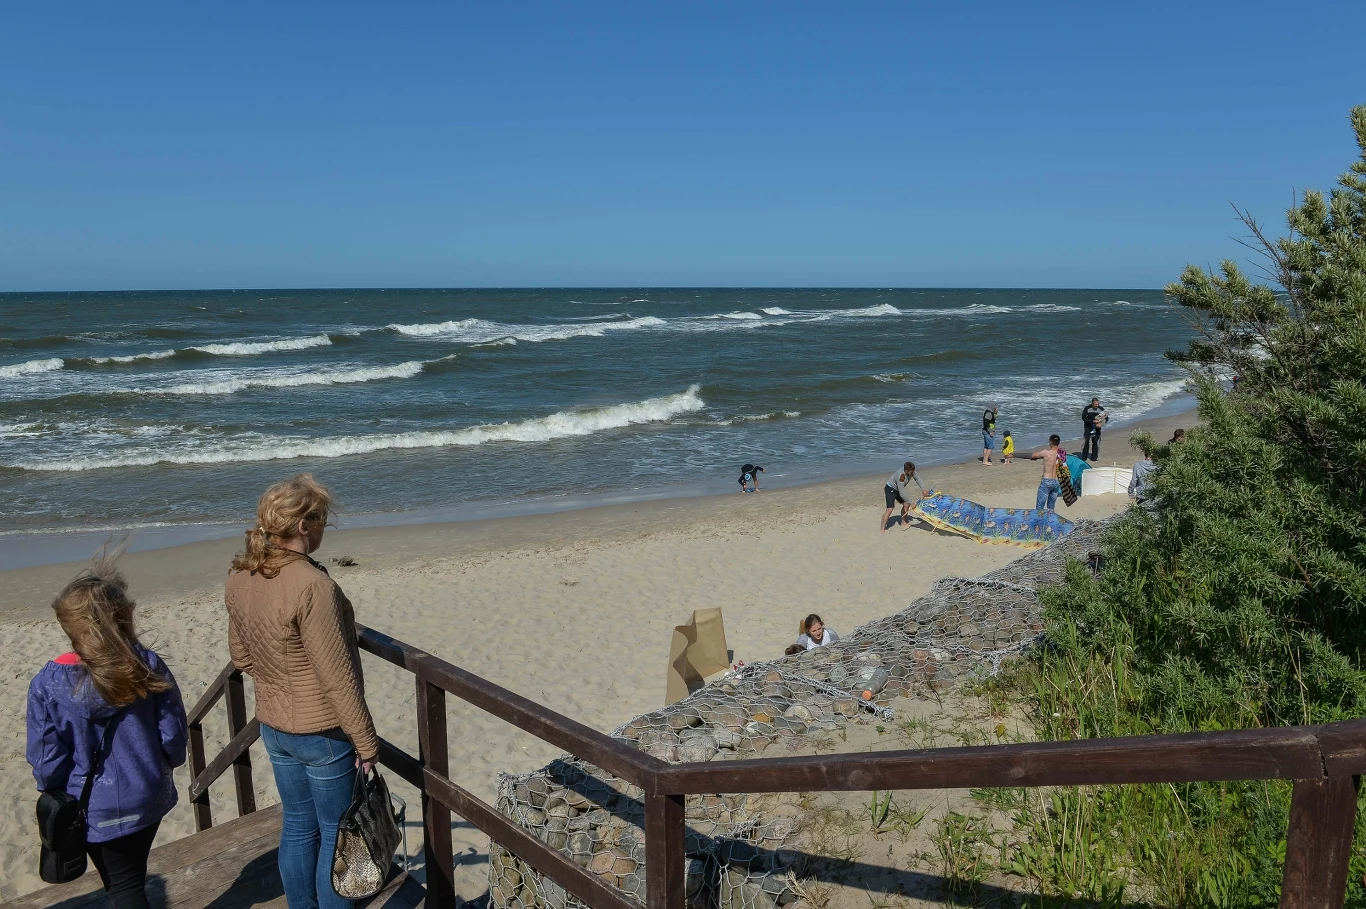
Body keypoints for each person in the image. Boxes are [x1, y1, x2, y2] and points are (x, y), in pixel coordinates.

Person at [226, 474, 380, 909]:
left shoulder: (241, 574)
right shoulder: (315, 585)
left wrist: (281, 682)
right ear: (303, 527)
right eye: (323, 521)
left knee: (297, 824)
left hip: (274, 724)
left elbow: (242, 656)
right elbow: (337, 677)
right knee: (336, 835)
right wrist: (367, 743)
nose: (324, 529)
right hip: (321, 732)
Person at [27, 561, 187, 909]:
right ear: (124, 617)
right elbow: (173, 733)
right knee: (131, 875)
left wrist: (51, 788)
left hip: (91, 804)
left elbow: (45, 758)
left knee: (124, 886)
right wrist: (168, 762)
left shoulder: (47, 684)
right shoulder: (147, 664)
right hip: (147, 791)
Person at [881, 460, 928, 533]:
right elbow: (902, 493)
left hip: (898, 489)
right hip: (890, 489)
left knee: (906, 504)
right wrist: (911, 502)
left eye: (913, 471)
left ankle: (903, 523)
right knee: (890, 509)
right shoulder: (901, 476)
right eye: (911, 472)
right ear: (906, 470)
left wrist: (923, 489)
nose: (912, 473)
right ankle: (882, 529)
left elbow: (917, 479)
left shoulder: (912, 471)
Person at [1028, 434, 1064, 511]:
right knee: (1051, 508)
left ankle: (1039, 522)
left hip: (1047, 481)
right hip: (1056, 482)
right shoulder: (1062, 453)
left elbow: (1031, 455)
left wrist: (1013, 455)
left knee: (1039, 507)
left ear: (1050, 442)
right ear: (1059, 442)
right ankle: (1050, 522)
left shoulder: (1046, 453)